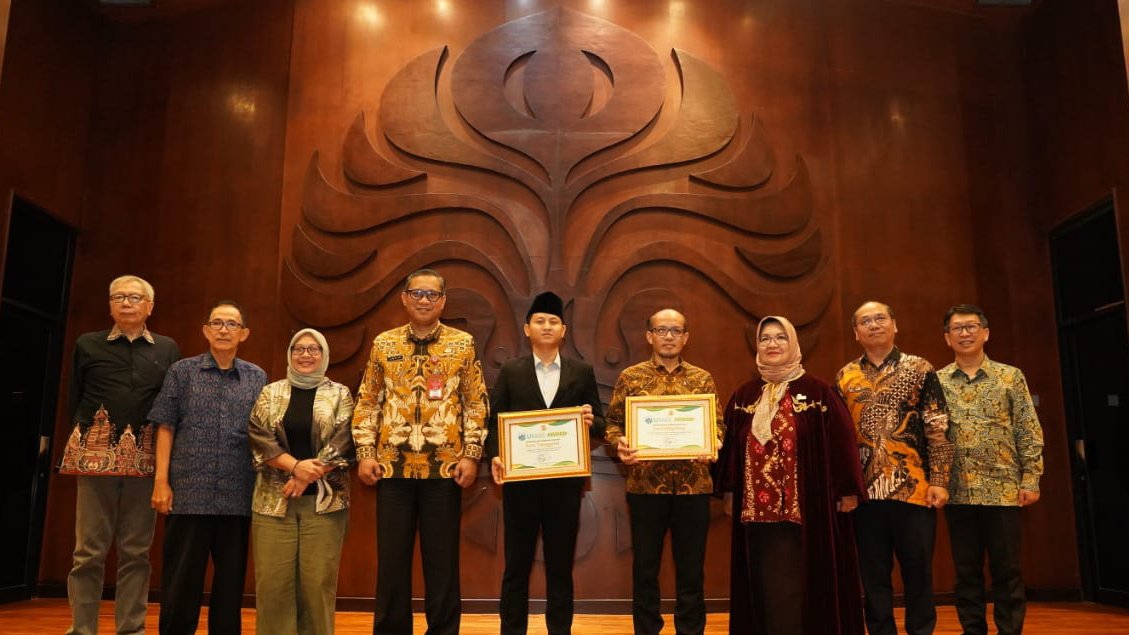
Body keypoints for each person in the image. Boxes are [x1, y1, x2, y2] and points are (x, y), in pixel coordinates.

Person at [351, 268, 488, 635]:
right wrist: (365, 452)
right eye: (417, 293)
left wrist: (472, 454)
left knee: (441, 561)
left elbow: (475, 403)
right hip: (391, 469)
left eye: (431, 295)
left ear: (443, 301)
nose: (424, 300)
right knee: (392, 562)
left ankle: (443, 630)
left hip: (444, 469)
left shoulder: (463, 344)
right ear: (404, 298)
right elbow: (367, 402)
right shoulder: (384, 344)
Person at [715, 316, 866, 635]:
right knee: (765, 585)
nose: (772, 344)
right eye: (765, 338)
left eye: (780, 337)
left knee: (803, 583)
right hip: (755, 517)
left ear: (794, 343)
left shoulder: (819, 392)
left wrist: (848, 490)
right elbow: (728, 447)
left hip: (808, 513)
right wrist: (728, 490)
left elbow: (843, 443)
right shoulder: (744, 396)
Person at [59, 275, 180, 635]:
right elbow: (74, 397)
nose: (126, 303)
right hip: (94, 460)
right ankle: (82, 628)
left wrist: (164, 469)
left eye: (134, 297)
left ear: (150, 307)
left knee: (136, 553)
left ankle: (132, 629)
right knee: (87, 553)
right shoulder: (87, 344)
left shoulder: (167, 348)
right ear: (110, 305)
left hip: (144, 463)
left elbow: (170, 409)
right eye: (119, 297)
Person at [485, 292, 605, 635]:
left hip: (564, 486)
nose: (547, 326)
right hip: (520, 485)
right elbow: (495, 420)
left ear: (563, 329)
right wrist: (495, 453)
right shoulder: (511, 370)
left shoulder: (581, 371)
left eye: (553, 321)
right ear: (527, 328)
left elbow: (599, 421)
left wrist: (588, 419)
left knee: (560, 567)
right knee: (516, 566)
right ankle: (512, 630)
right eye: (540, 321)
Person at [148, 301, 267, 635]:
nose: (224, 330)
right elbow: (165, 426)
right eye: (217, 323)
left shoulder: (257, 377)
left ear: (244, 334)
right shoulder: (182, 372)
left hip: (238, 496)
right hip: (188, 494)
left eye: (232, 324)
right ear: (205, 330)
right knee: (181, 582)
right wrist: (161, 481)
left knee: (230, 586)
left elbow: (264, 435)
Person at [835, 301, 953, 635]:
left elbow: (937, 426)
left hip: (915, 490)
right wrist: (844, 488)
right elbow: (840, 440)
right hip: (864, 494)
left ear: (894, 325)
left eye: (880, 318)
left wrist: (940, 480)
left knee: (918, 572)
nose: (873, 325)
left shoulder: (920, 369)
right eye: (865, 321)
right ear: (856, 332)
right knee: (873, 576)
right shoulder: (845, 376)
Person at [604, 308, 724, 635]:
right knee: (645, 568)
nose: (668, 336)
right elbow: (613, 426)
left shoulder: (703, 379)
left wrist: (713, 441)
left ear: (686, 337)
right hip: (645, 488)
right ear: (649, 336)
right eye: (661, 330)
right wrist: (621, 445)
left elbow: (717, 425)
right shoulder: (631, 377)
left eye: (675, 330)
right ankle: (646, 630)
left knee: (691, 570)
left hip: (693, 487)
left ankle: (690, 629)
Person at [937, 304, 1043, 635]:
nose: (965, 333)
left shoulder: (1010, 376)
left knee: (1007, 571)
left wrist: (1032, 478)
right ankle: (973, 631)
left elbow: (1028, 429)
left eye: (971, 326)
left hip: (1003, 489)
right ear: (947, 338)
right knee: (966, 572)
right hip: (957, 493)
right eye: (957, 328)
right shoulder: (936, 381)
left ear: (986, 333)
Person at [248, 328, 355, 635]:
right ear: (290, 354)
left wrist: (308, 475)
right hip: (272, 502)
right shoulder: (271, 393)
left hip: (325, 505)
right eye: (299, 349)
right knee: (273, 584)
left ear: (324, 355)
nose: (305, 355)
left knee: (317, 584)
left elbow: (345, 439)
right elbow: (258, 436)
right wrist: (296, 468)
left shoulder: (340, 394)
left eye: (313, 349)